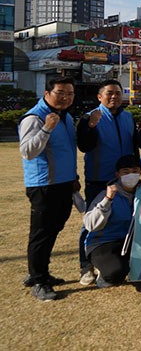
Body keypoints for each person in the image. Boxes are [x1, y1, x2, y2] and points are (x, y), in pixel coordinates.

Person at [76, 79, 141, 286]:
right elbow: (84, 146)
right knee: (91, 223)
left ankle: (120, 254)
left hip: (126, 178)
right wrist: (90, 126)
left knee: (128, 216)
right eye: (109, 93)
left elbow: (137, 144)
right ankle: (85, 265)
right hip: (99, 178)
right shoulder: (90, 116)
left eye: (118, 93)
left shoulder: (128, 117)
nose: (114, 97)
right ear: (99, 96)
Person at [19, 76, 80, 301]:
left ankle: (38, 271)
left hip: (63, 183)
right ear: (47, 94)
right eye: (60, 93)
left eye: (70, 94)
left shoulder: (66, 117)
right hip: (43, 185)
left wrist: (73, 178)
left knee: (54, 228)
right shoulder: (34, 118)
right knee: (41, 233)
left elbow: (66, 151)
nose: (66, 98)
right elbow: (27, 151)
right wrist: (46, 128)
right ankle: (39, 281)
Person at [83, 154, 141, 288]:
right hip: (104, 242)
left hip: (130, 241)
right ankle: (103, 272)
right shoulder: (107, 194)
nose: (131, 175)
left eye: (135, 171)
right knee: (115, 273)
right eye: (125, 172)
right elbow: (90, 224)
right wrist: (107, 200)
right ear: (117, 174)